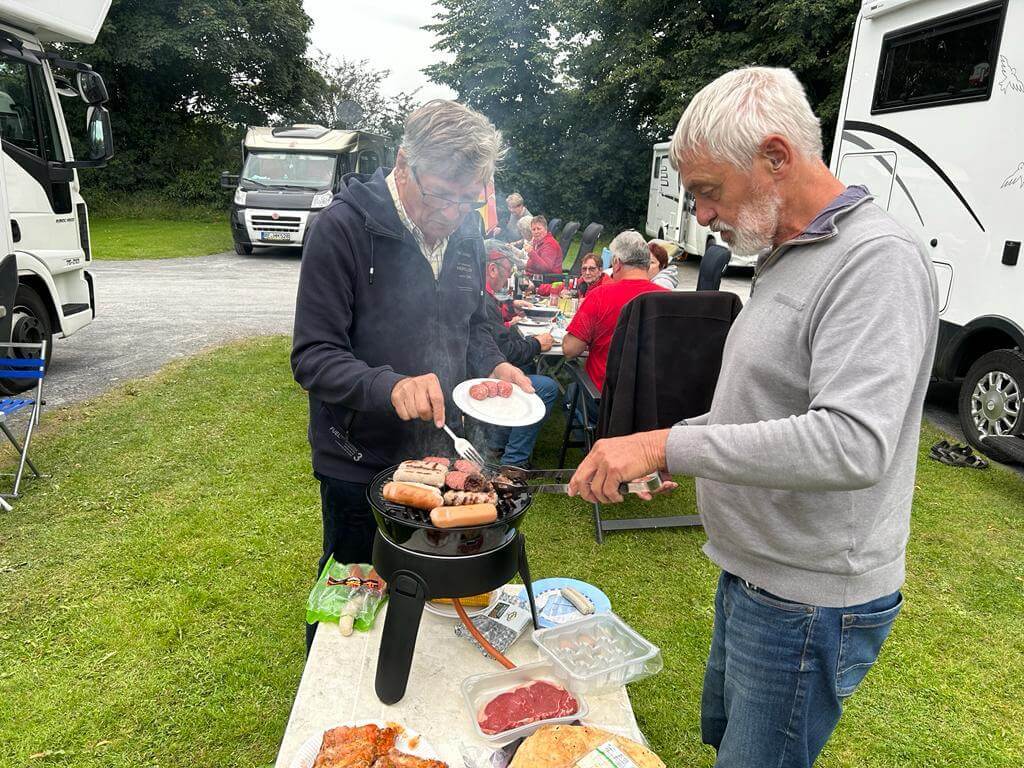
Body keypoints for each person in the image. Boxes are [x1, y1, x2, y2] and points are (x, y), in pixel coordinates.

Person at [567, 67, 938, 768]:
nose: (702, 215)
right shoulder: (786, 254)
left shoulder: (875, 261)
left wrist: (665, 447)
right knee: (728, 743)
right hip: (752, 571)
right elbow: (758, 407)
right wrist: (667, 444)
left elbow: (852, 443)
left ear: (775, 156)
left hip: (807, 598)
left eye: (709, 191)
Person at [291, 99, 533, 649]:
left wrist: (494, 363)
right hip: (359, 456)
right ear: (404, 163)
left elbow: (474, 323)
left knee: (435, 598)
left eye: (468, 199)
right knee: (352, 598)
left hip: (440, 449)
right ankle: (332, 688)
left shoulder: (466, 232)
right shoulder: (342, 228)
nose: (453, 214)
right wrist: (391, 385)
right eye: (442, 195)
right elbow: (313, 355)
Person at [562, 230, 668, 421]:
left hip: (604, 399)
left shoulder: (600, 296)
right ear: (646, 263)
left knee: (570, 394)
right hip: (652, 402)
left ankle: (591, 436)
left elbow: (570, 350)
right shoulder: (668, 299)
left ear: (617, 263)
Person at [480, 245, 560, 467]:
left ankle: (496, 443)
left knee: (528, 369)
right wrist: (537, 343)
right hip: (483, 370)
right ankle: (514, 460)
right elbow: (506, 352)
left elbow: (493, 325)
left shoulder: (481, 294)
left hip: (480, 363)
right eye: (507, 272)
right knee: (546, 387)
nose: (508, 279)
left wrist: (510, 309)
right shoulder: (484, 301)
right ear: (492, 269)